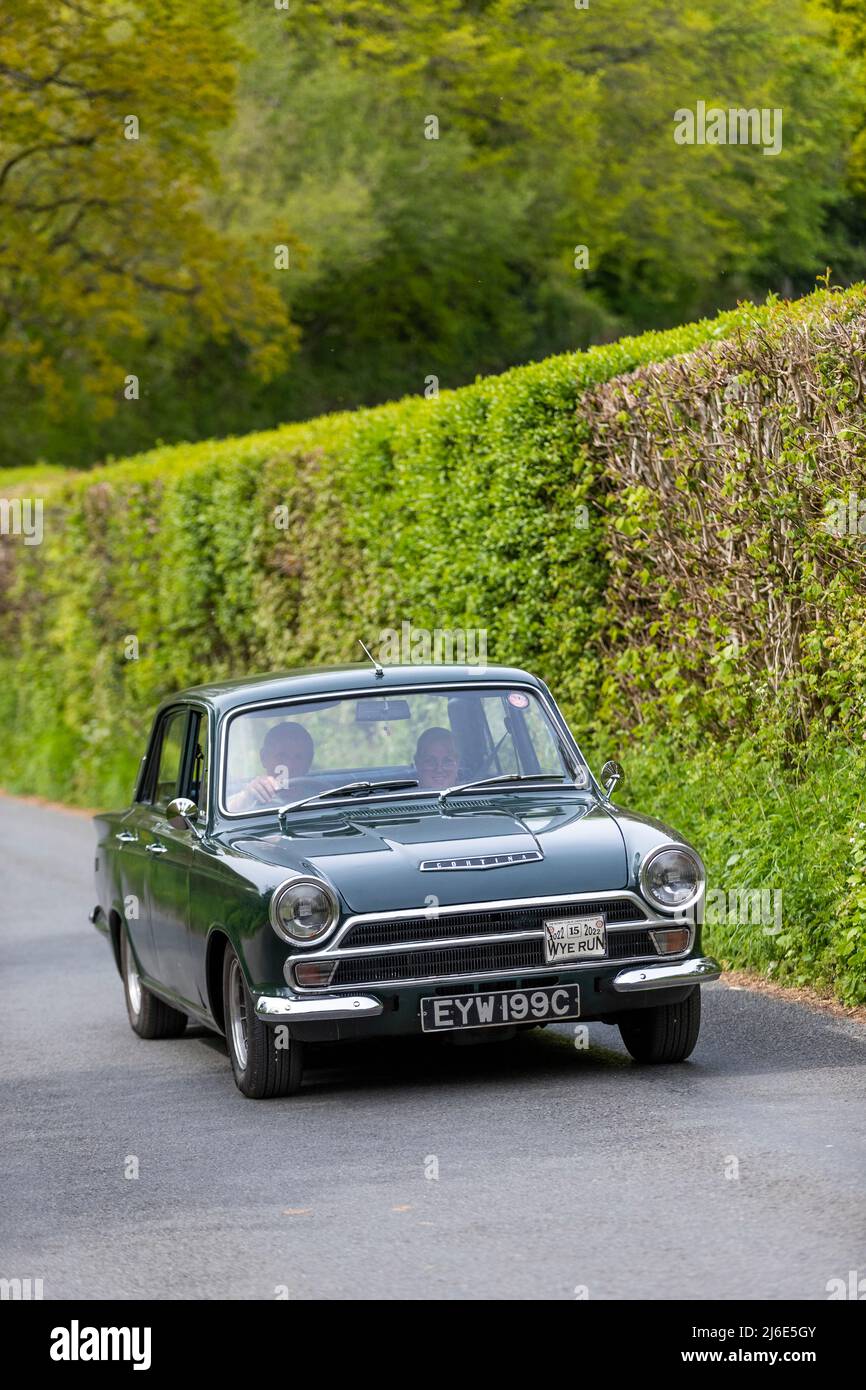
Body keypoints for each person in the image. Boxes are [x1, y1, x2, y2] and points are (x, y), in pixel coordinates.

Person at [227, 721, 314, 812]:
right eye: (282, 755)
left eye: (298, 757)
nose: (290, 765)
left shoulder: (319, 797)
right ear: (264, 758)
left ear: (309, 762)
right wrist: (247, 796)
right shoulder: (251, 796)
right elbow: (226, 815)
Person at [414, 726, 459, 791]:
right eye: (430, 762)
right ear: (418, 764)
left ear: (457, 764)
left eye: (447, 761)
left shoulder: (473, 794)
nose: (439, 769)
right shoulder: (402, 799)